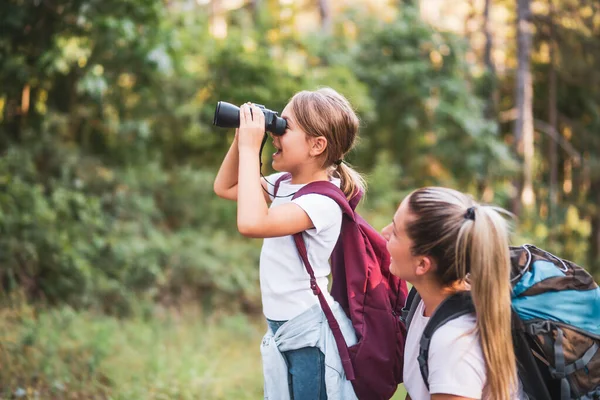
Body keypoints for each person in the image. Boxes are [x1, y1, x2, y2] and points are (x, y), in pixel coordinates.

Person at [213, 88, 364, 399]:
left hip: (311, 332)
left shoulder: (322, 201)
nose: (274, 134)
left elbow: (252, 224)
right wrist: (241, 139)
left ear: (316, 145)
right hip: (284, 325)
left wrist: (251, 145)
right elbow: (225, 187)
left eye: (285, 126)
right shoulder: (283, 184)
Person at [381, 187, 519, 400]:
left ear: (422, 264)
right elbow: (420, 388)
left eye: (396, 233)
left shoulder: (454, 344)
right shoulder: (423, 302)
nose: (384, 232)